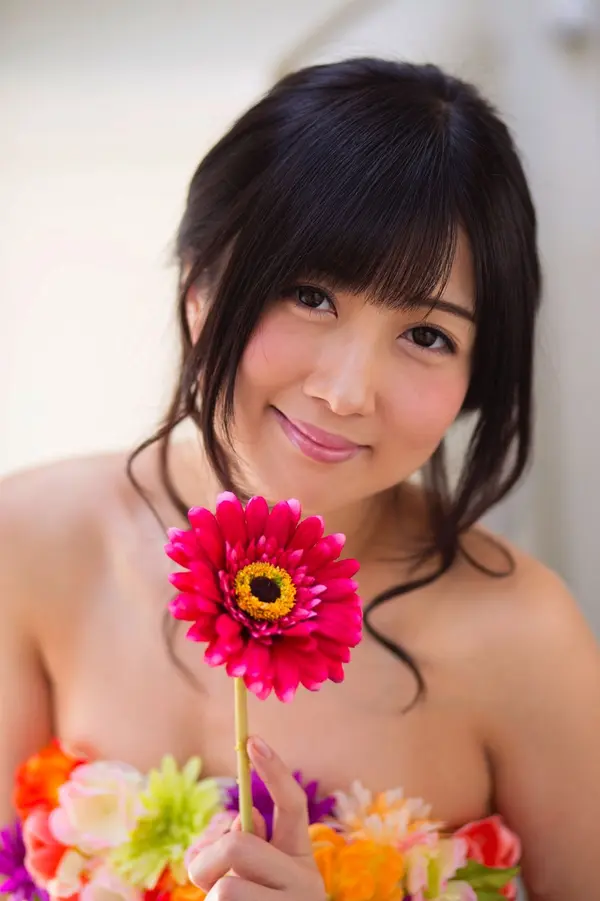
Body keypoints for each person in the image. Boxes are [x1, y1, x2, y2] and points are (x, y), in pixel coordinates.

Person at [0, 57, 598, 901]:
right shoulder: (27, 544)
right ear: (201, 284)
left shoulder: (523, 637)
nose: (347, 391)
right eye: (310, 294)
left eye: (427, 335)